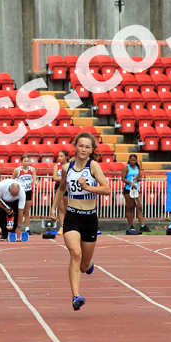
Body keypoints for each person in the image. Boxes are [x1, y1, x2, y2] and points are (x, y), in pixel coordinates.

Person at [50, 132, 111, 311]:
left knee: (84, 265)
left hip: (89, 218)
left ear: (92, 150)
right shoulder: (66, 168)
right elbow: (62, 189)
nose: (83, 149)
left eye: (87, 147)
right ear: (75, 146)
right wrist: (53, 208)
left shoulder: (94, 167)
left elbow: (107, 189)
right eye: (81, 145)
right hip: (72, 217)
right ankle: (76, 296)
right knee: (75, 253)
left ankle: (89, 264)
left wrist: (87, 187)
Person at [122, 154, 150, 234]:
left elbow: (140, 178)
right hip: (128, 189)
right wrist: (130, 182)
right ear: (129, 160)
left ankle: (142, 225)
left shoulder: (137, 167)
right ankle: (131, 225)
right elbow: (123, 178)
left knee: (139, 207)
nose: (133, 162)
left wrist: (138, 179)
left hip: (136, 189)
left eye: (134, 160)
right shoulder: (126, 167)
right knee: (130, 207)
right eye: (131, 160)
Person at [13, 155, 37, 234]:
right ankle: (16, 227)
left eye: (28, 161)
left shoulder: (32, 169)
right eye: (25, 161)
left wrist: (36, 183)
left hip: (28, 191)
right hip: (20, 192)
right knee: (20, 210)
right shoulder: (18, 170)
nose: (27, 163)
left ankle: (27, 229)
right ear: (22, 162)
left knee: (27, 211)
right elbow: (12, 180)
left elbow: (34, 179)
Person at [52, 150, 69, 228]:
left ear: (66, 157)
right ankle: (62, 227)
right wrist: (63, 179)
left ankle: (67, 225)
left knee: (67, 208)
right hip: (59, 186)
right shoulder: (57, 166)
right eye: (59, 156)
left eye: (61, 156)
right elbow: (55, 177)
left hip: (67, 187)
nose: (59, 158)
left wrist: (64, 179)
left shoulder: (69, 165)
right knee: (61, 208)